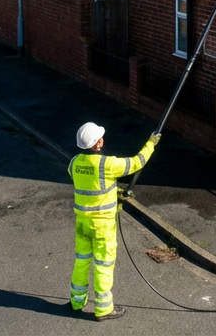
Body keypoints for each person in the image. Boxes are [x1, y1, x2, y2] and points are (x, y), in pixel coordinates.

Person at [68, 122, 159, 321]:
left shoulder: (74, 162)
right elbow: (137, 162)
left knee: (82, 261)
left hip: (82, 224)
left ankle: (76, 301)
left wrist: (113, 192)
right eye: (101, 137)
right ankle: (103, 309)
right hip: (102, 227)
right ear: (98, 143)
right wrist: (151, 143)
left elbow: (91, 187)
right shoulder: (108, 164)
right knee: (103, 265)